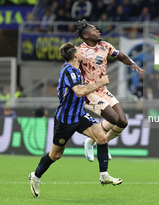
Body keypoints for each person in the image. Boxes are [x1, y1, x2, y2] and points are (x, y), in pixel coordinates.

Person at [29, 42, 122, 198]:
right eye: (79, 51)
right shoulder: (69, 71)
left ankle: (104, 174)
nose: (82, 52)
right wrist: (100, 82)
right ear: (75, 56)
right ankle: (36, 176)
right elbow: (79, 92)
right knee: (56, 155)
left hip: (79, 115)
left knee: (102, 137)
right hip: (66, 119)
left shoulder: (76, 69)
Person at [75, 19, 144, 162]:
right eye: (94, 30)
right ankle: (102, 144)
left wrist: (132, 63)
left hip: (103, 90)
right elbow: (70, 69)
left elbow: (121, 56)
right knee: (112, 118)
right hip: (89, 93)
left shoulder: (105, 46)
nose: (98, 31)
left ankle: (90, 142)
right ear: (86, 36)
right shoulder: (79, 51)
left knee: (123, 122)